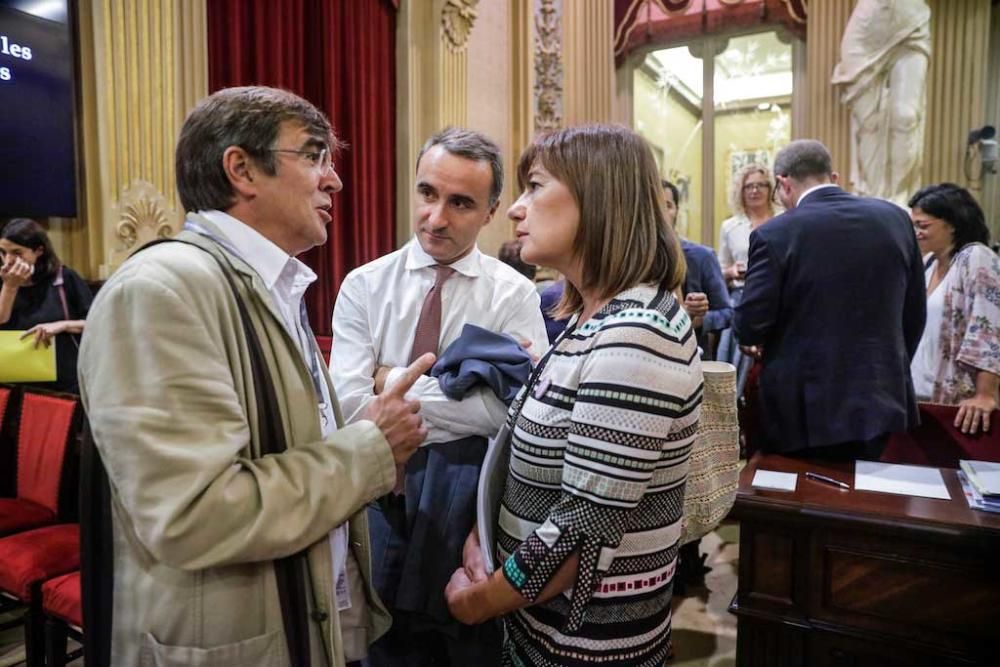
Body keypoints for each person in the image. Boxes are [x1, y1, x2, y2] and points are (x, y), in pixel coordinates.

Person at [78, 86, 434, 667]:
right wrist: (371, 445)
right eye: (314, 155)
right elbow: (194, 514)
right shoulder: (162, 291)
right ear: (241, 169)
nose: (334, 180)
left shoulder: (269, 285)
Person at [444, 124, 703, 666]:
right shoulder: (594, 317)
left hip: (582, 646)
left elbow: (581, 527)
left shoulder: (637, 333)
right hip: (545, 627)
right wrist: (483, 535)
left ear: (598, 199)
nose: (515, 209)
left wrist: (481, 601)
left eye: (535, 186)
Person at [330, 127, 547, 666]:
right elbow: (347, 408)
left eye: (460, 203)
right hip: (375, 499)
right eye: (428, 193)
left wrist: (391, 379)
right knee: (375, 647)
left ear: (491, 211)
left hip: (465, 508)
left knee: (457, 648)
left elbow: (513, 410)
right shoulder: (364, 285)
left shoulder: (513, 292)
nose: (436, 217)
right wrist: (459, 391)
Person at [735, 139, 926, 460]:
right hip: (880, 395)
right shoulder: (896, 219)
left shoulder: (776, 233)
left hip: (803, 408)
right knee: (865, 500)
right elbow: (914, 313)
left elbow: (751, 325)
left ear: (782, 184)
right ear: (832, 176)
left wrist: (753, 337)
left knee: (803, 501)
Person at [908, 183, 1000, 435]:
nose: (916, 232)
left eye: (923, 226)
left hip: (960, 403)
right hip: (921, 396)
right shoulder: (927, 265)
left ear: (953, 223)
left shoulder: (975, 257)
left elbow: (988, 325)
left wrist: (985, 394)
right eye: (914, 225)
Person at [0, 218, 92, 393]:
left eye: (17, 253)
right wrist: (10, 287)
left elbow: (96, 322)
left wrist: (62, 325)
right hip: (13, 384)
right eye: (3, 252)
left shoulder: (64, 278)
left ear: (39, 251)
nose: (8, 261)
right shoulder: (4, 281)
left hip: (63, 384)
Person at [716, 164, 778, 390]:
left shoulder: (784, 219)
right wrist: (731, 273)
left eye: (760, 185)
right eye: (748, 186)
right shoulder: (730, 226)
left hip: (776, 299)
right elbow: (720, 270)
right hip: (740, 298)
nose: (755, 191)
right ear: (740, 192)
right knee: (733, 371)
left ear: (770, 188)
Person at [663, 179, 732, 360]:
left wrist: (699, 318)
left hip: (694, 359)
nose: (660, 212)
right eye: (654, 205)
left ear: (677, 210)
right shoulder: (633, 261)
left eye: (667, 205)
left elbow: (726, 313)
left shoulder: (702, 256)